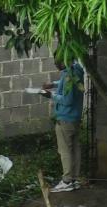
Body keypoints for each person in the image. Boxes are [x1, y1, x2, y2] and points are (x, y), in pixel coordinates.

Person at [41, 54, 86, 193]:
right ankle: (75, 179)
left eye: (57, 62)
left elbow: (67, 100)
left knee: (65, 150)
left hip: (65, 118)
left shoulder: (68, 76)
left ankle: (67, 181)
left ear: (64, 60)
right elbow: (66, 83)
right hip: (75, 116)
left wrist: (50, 95)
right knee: (75, 148)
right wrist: (53, 84)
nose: (56, 65)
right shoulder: (76, 69)